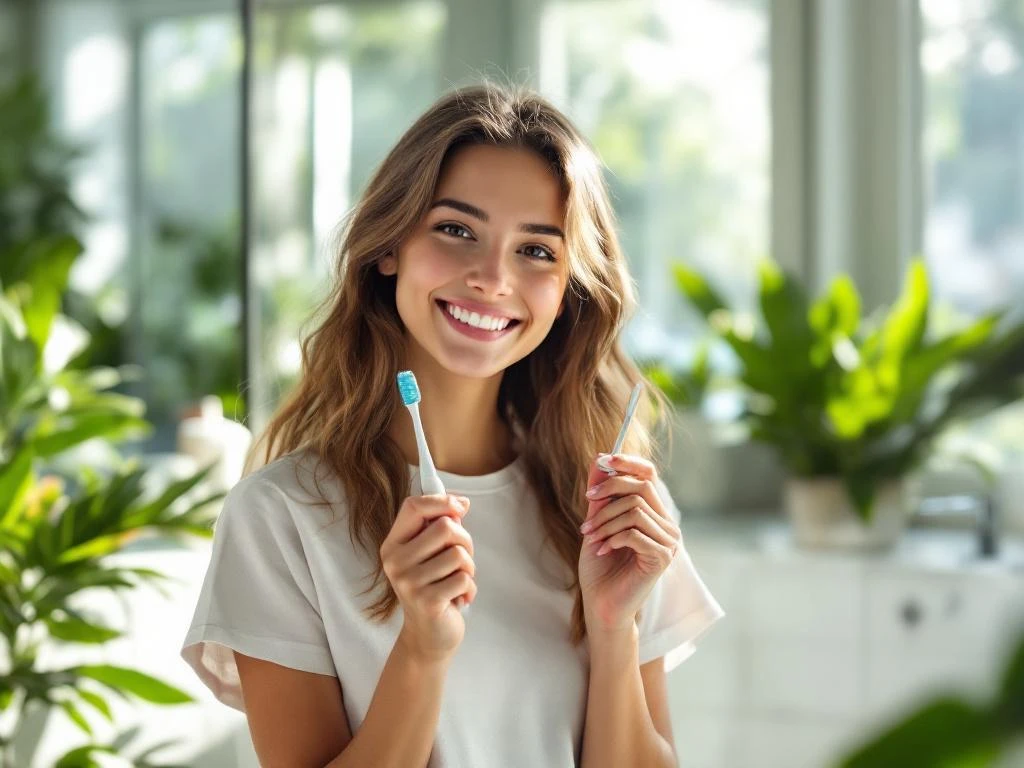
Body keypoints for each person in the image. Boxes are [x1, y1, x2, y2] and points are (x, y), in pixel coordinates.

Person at [181, 82, 724, 768]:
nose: (492, 277)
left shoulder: (610, 512)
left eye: (536, 251)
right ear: (388, 248)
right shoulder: (282, 519)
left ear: (570, 292)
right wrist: (422, 649)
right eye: (457, 230)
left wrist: (614, 628)